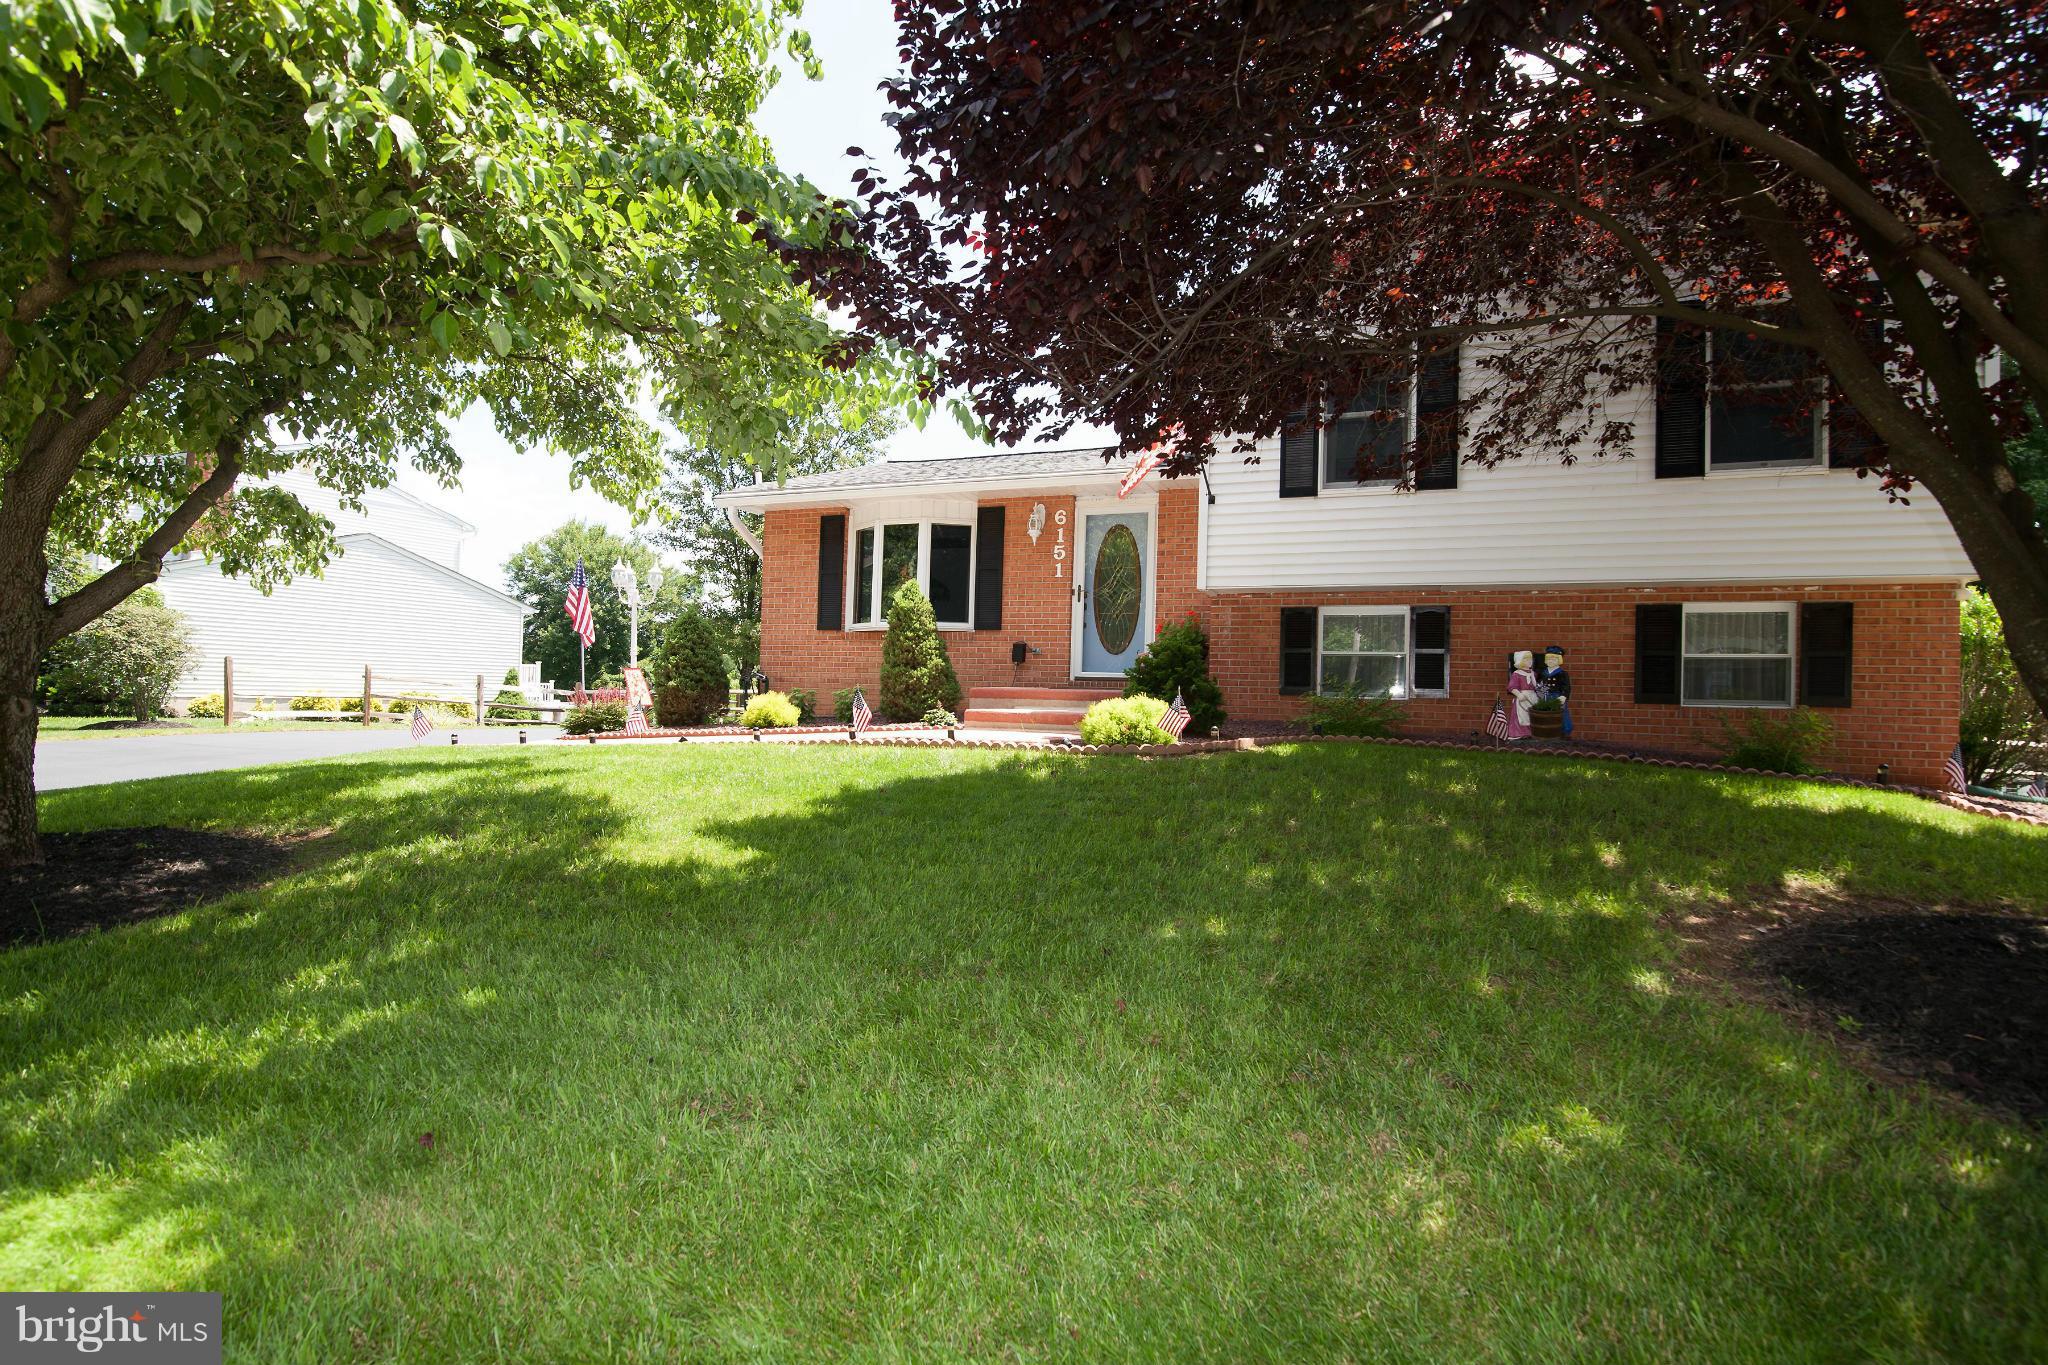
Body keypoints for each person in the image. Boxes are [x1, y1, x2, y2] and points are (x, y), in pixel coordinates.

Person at [1538, 645, 1573, 737]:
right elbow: (1539, 684)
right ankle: (1547, 732)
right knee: (1545, 714)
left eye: (1553, 659)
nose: (1551, 661)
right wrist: (1540, 692)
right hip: (1545, 697)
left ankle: (1564, 732)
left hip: (1556, 697)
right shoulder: (1542, 673)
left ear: (1559, 660)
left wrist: (1563, 696)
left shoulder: (1562, 674)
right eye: (1549, 659)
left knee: (1560, 715)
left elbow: (1566, 687)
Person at [1504, 650, 1540, 740]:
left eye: (1530, 659)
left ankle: (1531, 732)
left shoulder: (1533, 674)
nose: (1529, 661)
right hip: (1522, 697)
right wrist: (1519, 694)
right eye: (1526, 659)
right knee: (1522, 715)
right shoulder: (1517, 674)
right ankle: (1519, 733)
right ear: (1520, 661)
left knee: (1531, 715)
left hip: (1533, 697)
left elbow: (1536, 686)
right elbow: (1511, 687)